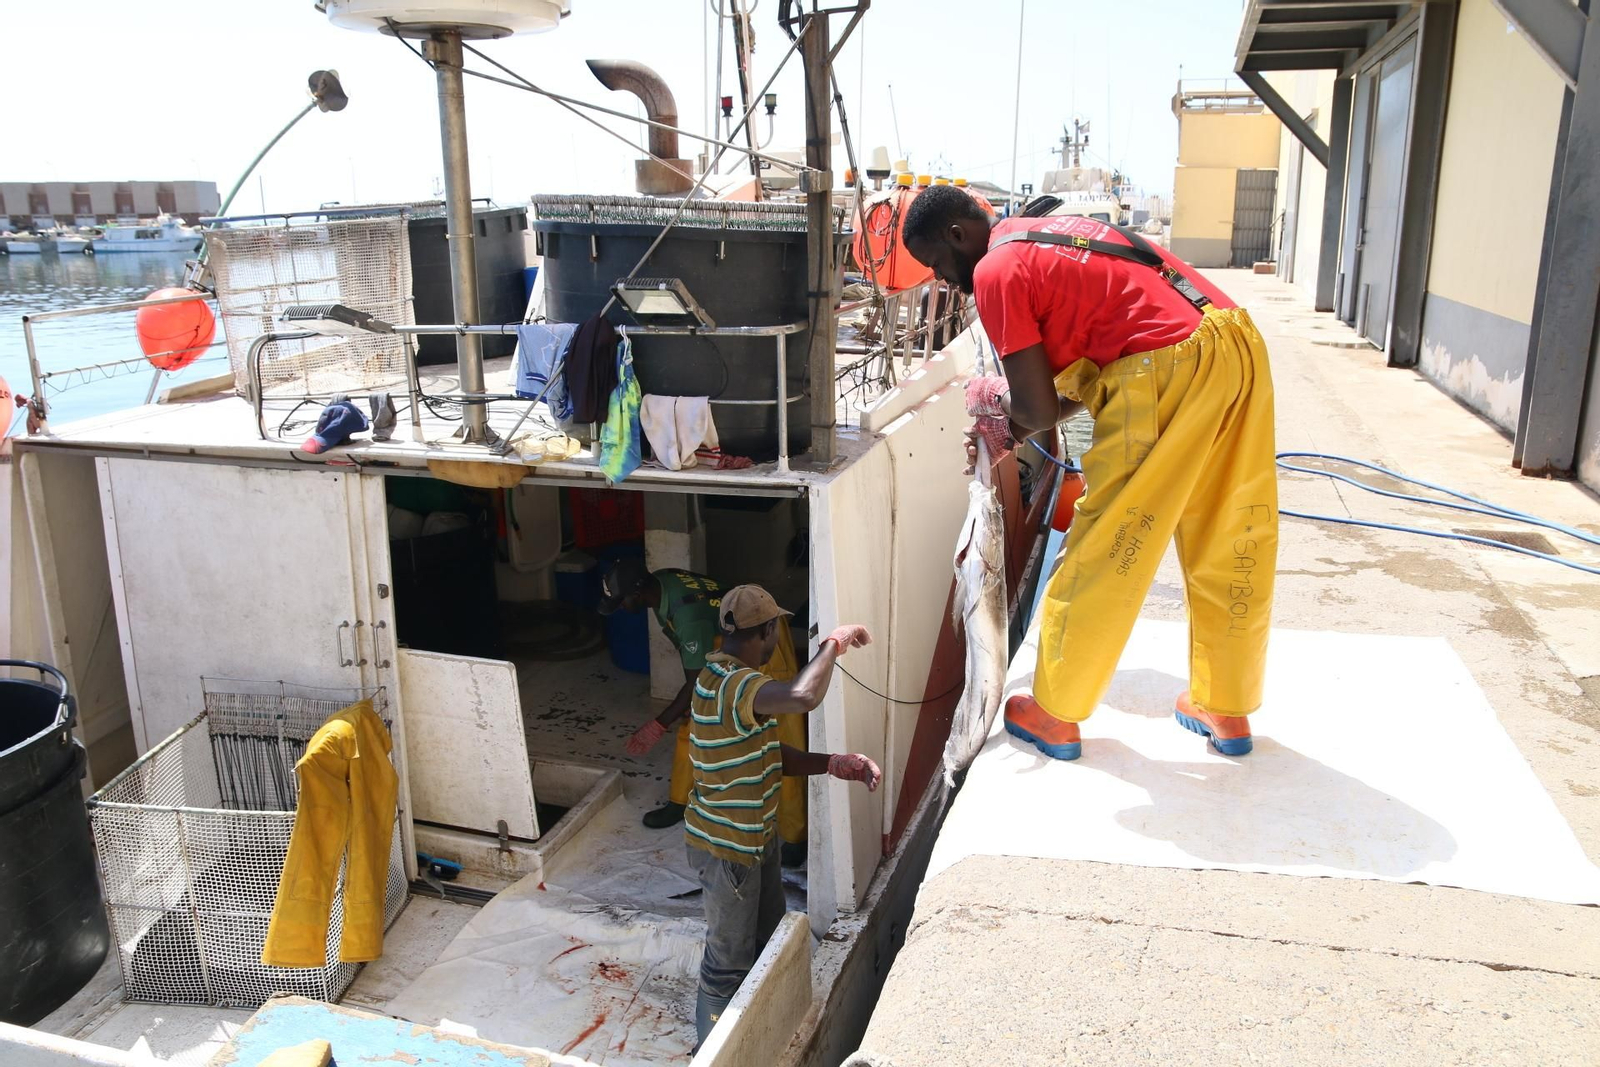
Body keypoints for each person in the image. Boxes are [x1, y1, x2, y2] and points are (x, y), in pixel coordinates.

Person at [903, 186, 1277, 762]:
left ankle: (1054, 711)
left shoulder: (999, 271)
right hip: (1235, 344)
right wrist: (1015, 424)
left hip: (1163, 368)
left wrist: (996, 412)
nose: (946, 282)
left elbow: (1037, 408)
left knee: (1110, 544)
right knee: (1232, 533)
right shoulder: (1056, 236)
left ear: (958, 236)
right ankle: (1225, 704)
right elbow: (1089, 370)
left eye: (938, 266)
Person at [684, 583, 880, 1043]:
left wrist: (833, 764)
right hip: (727, 848)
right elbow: (802, 696)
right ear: (769, 629)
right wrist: (834, 642)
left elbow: (768, 753)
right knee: (727, 961)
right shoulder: (738, 684)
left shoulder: (717, 674)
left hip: (753, 839)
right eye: (779, 629)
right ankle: (710, 1049)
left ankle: (755, 1031)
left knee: (768, 940)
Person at [598, 559, 809, 863]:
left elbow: (697, 681)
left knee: (780, 736)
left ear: (638, 592)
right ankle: (680, 801)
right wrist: (688, 708)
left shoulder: (688, 616)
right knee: (694, 720)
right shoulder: (661, 582)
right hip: (728, 642)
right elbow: (698, 684)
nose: (621, 608)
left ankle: (794, 834)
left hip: (765, 641)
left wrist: (659, 722)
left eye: (622, 601)